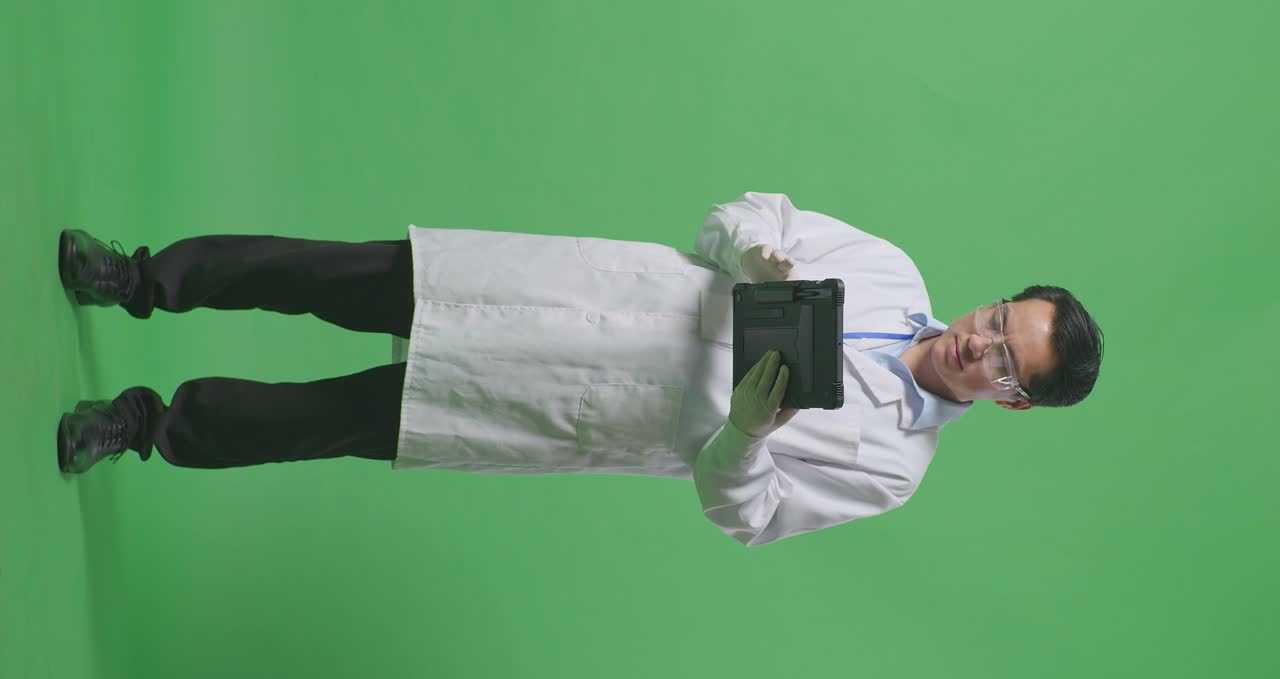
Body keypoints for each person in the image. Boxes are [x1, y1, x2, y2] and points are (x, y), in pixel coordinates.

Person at [56, 192, 1103, 547]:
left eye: (1003, 359)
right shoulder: (885, 269)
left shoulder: (892, 467)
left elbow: (744, 514)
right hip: (572, 293)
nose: (977, 343)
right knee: (326, 274)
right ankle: (142, 278)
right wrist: (750, 255)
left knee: (324, 419)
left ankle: (142, 426)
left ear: (1009, 397)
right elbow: (734, 216)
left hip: (583, 406)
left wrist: (746, 434)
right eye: (995, 319)